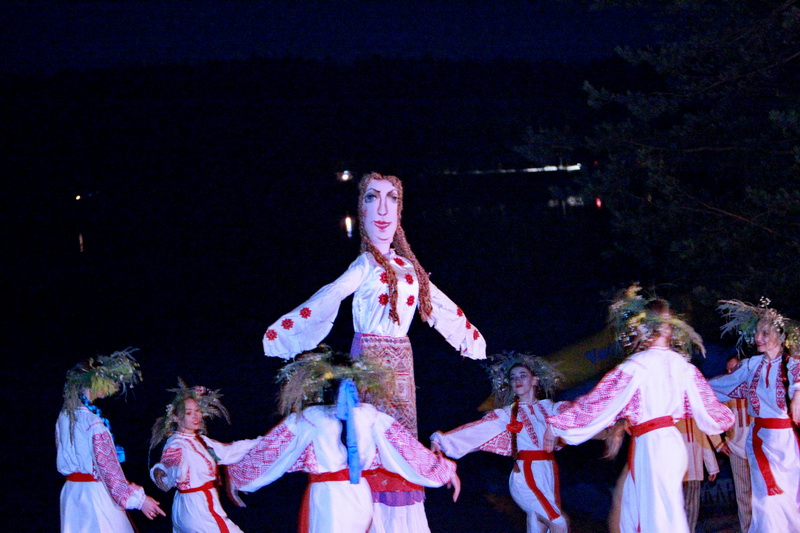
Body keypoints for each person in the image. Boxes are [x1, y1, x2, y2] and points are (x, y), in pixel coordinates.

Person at [261, 171, 485, 530]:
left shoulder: (409, 268)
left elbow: (439, 304)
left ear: (400, 211)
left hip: (402, 362)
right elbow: (330, 295)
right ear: (361, 211)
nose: (382, 209)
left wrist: (469, 337)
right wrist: (286, 333)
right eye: (372, 198)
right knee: (372, 437)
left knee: (401, 437)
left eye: (391, 199)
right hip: (370, 359)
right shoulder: (365, 265)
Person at [543, 285, 734, 533]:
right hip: (669, 443)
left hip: (654, 446)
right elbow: (711, 411)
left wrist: (558, 425)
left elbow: (597, 403)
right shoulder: (682, 366)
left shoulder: (636, 366)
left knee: (658, 517)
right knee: (640, 509)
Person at [226, 347, 461, 533]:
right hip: (359, 493)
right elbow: (407, 449)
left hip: (328, 497)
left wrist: (240, 476)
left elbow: (272, 451)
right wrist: (443, 471)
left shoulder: (310, 419)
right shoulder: (370, 416)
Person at [431, 352, 569, 533]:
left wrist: (604, 428)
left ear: (535, 380)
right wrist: (441, 440)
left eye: (522, 375)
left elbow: (576, 414)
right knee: (558, 522)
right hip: (526, 474)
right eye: (513, 377)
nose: (517, 380)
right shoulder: (508, 414)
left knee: (540, 527)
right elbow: (478, 430)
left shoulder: (549, 408)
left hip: (549, 472)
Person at [710, 298, 800, 532]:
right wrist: (693, 387)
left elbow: (797, 382)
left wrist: (798, 393)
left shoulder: (793, 365)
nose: (758, 338)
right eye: (757, 333)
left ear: (781, 336)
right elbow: (724, 385)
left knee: (791, 502)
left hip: (788, 444)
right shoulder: (751, 365)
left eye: (765, 333)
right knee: (767, 502)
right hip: (761, 440)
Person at [56, 347, 165, 532]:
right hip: (95, 495)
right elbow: (108, 469)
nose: (113, 387)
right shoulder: (93, 422)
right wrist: (140, 500)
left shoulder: (64, 417)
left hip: (73, 494)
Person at [150, 379, 265, 533]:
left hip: (189, 506)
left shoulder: (201, 441)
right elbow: (170, 463)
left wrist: (263, 441)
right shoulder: (177, 444)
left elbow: (229, 451)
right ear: (176, 418)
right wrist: (162, 471)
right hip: (197, 507)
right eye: (189, 413)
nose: (196, 416)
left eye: (197, 411)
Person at [710, 355, 752, 533]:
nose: (730, 373)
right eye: (727, 370)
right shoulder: (724, 391)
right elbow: (709, 412)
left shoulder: (753, 386)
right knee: (743, 494)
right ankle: (747, 529)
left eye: (733, 369)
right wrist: (718, 443)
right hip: (735, 448)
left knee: (761, 494)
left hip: (756, 449)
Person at [675, 416, 719, 532]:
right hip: (677, 473)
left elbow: (704, 443)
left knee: (692, 508)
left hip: (694, 471)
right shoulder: (673, 420)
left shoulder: (695, 419)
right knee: (677, 507)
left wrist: (712, 467)